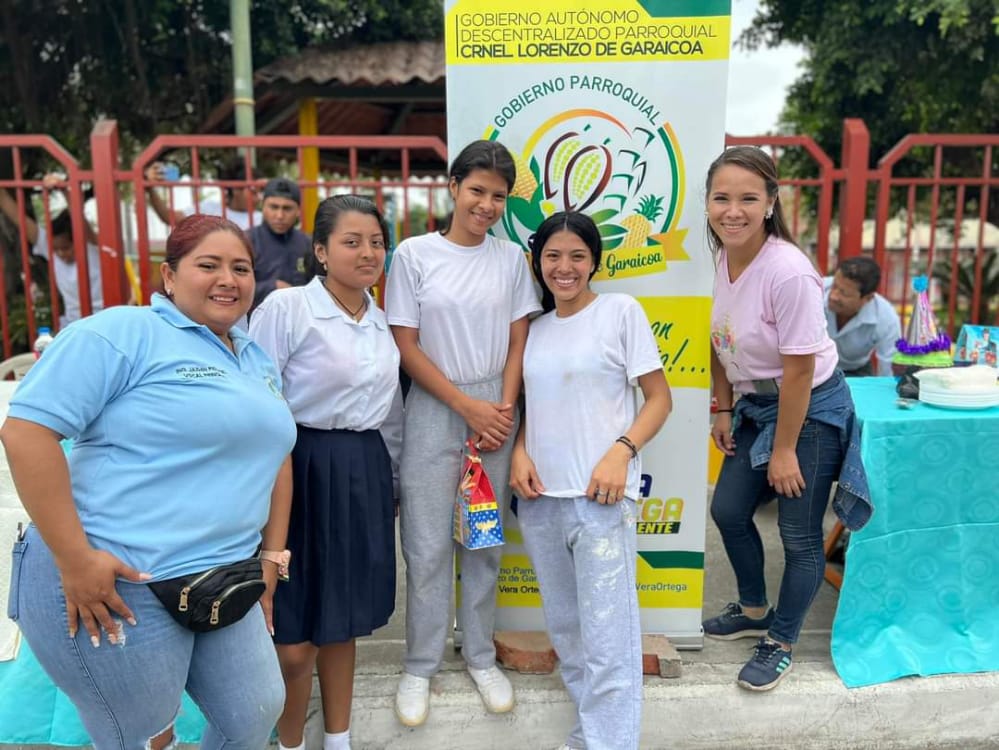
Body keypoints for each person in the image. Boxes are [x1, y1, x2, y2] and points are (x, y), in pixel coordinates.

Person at [0, 214, 297, 748]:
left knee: (253, 713)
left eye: (241, 268)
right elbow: (26, 433)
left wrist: (271, 556)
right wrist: (75, 560)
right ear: (169, 276)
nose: (228, 280)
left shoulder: (252, 356)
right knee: (144, 736)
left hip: (219, 575)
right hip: (118, 577)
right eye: (209, 265)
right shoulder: (122, 333)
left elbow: (275, 453)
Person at [703, 146, 871, 691]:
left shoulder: (789, 273)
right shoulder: (723, 256)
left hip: (810, 408)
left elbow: (799, 372)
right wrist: (723, 407)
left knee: (799, 537)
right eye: (722, 198)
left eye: (748, 199)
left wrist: (783, 451)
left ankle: (780, 640)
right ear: (708, 203)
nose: (733, 211)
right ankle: (754, 609)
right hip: (756, 404)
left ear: (771, 202)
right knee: (728, 510)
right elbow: (719, 340)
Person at [385, 140, 541, 726]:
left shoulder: (510, 259)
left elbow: (519, 339)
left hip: (496, 409)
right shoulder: (415, 255)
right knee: (426, 544)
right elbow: (405, 344)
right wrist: (464, 406)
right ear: (453, 187)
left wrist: (501, 408)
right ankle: (420, 665)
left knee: (483, 541)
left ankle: (479, 656)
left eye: (498, 196)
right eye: (477, 190)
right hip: (434, 406)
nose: (486, 205)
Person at [510, 211, 671, 750]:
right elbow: (535, 404)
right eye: (553, 256)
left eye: (577, 256)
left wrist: (621, 453)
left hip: (600, 500)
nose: (565, 267)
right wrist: (520, 450)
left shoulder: (620, 312)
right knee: (568, 634)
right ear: (537, 262)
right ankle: (591, 738)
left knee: (608, 641)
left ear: (594, 261)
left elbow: (660, 399)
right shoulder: (534, 329)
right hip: (541, 501)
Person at [249, 195, 403, 750]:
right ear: (320, 251)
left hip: (363, 468)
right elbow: (257, 400)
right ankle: (288, 742)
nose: (368, 253)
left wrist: (391, 483)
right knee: (292, 638)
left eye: (377, 243)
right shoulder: (288, 310)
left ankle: (338, 739)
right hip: (297, 467)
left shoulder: (382, 323)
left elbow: (391, 415)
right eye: (351, 242)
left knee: (343, 617)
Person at [0, 174, 104, 327]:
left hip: (102, 321)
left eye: (66, 248)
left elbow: (78, 217)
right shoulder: (49, 248)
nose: (61, 254)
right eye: (56, 250)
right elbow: (17, 217)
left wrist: (63, 190)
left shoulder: (90, 248)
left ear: (78, 240)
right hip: (73, 324)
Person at [824, 256, 900, 376]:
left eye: (843, 293)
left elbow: (888, 369)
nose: (833, 296)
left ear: (867, 298)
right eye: (834, 286)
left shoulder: (886, 318)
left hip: (855, 370)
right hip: (815, 367)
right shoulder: (815, 290)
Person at [247, 177, 312, 312]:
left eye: (287, 208)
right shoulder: (246, 241)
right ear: (263, 207)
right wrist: (272, 287)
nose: (280, 215)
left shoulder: (308, 243)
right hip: (255, 319)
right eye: (274, 207)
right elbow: (233, 287)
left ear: (298, 211)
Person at [144, 162, 260, 230]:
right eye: (254, 192)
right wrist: (151, 190)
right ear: (236, 190)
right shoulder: (209, 209)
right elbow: (170, 217)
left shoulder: (261, 218)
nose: (259, 197)